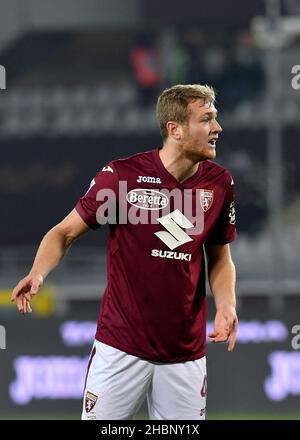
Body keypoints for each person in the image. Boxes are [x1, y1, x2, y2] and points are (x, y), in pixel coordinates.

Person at [11, 84, 238, 420]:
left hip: (185, 354)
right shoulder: (122, 178)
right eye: (206, 120)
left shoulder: (219, 183)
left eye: (215, 118)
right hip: (120, 348)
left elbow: (219, 257)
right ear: (174, 129)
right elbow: (64, 232)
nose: (217, 128)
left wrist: (227, 304)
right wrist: (38, 271)